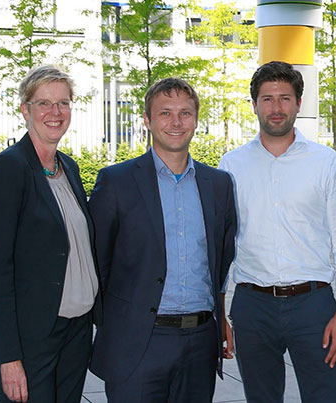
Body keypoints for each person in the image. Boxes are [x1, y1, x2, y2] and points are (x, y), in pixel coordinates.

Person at [218, 61, 336, 402]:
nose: (276, 107)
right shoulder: (231, 166)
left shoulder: (325, 162)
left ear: (299, 103)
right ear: (254, 105)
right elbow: (223, 247)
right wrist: (221, 313)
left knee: (323, 397)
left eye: (285, 98)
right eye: (267, 99)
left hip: (314, 307)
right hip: (253, 307)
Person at [88, 77, 236, 402]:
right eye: (165, 113)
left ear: (196, 120)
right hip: (138, 342)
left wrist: (220, 318)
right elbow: (96, 261)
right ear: (147, 120)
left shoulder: (219, 185)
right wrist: (114, 327)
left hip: (199, 344)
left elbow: (221, 259)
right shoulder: (116, 182)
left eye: (185, 113)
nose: (176, 122)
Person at [0, 65, 102, 403]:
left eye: (63, 103)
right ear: (25, 110)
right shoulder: (9, 169)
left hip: (76, 330)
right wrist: (7, 356)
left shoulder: (67, 166)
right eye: (44, 103)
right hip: (33, 335)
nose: (55, 113)